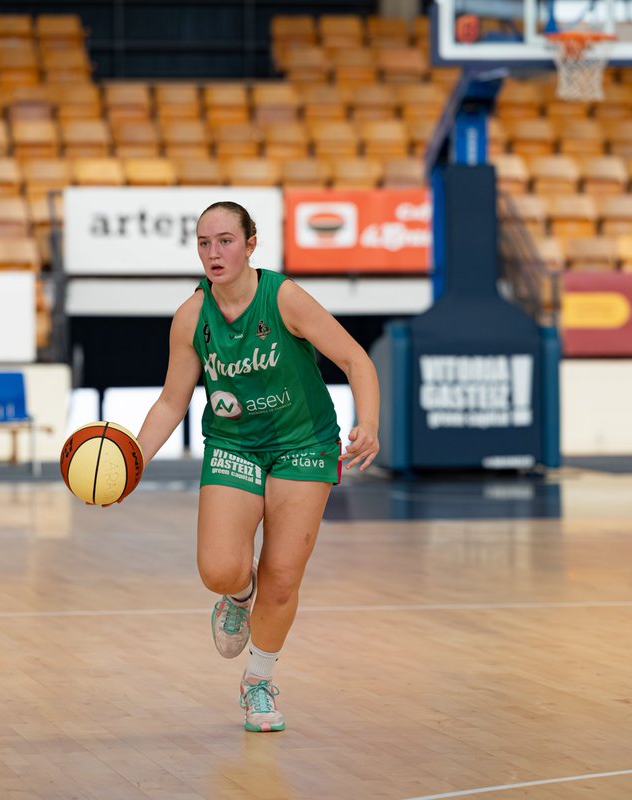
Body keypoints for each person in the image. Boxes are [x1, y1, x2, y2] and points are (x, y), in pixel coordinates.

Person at [135, 201, 380, 732]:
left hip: (303, 444)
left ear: (250, 244)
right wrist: (133, 458)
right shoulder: (191, 316)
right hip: (235, 444)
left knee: (283, 577)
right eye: (204, 243)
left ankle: (260, 682)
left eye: (225, 240)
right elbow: (172, 402)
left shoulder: (284, 297)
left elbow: (356, 359)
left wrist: (371, 424)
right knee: (220, 568)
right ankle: (237, 596)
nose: (213, 252)